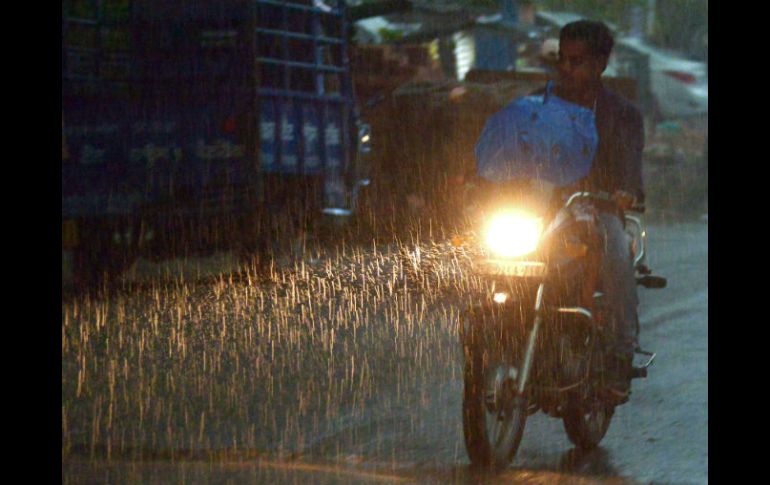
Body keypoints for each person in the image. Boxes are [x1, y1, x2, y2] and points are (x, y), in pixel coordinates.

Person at [546, 20, 644, 403]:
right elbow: (510, 146)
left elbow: (631, 167)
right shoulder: (538, 104)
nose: (567, 69)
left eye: (577, 61)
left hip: (597, 210)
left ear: (601, 64)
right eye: (562, 60)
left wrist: (626, 192)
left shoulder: (622, 114)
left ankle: (621, 355)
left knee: (617, 258)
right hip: (545, 212)